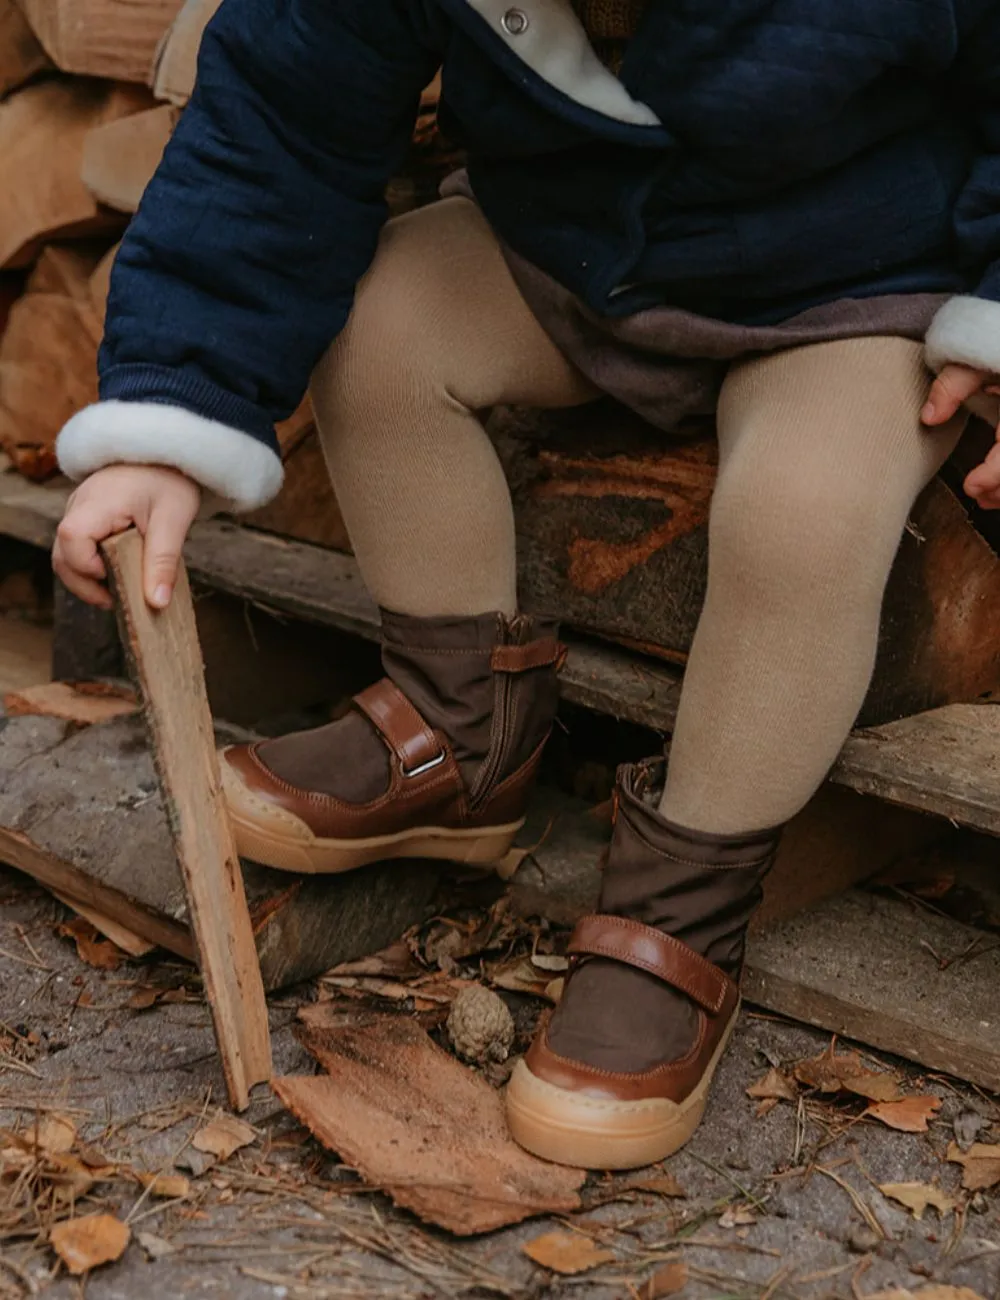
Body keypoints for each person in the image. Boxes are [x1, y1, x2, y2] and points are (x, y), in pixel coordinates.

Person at [52, 0, 1000, 1171]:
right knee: (379, 319)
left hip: (851, 289)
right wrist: (173, 407)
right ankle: (464, 724)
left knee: (804, 513)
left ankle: (685, 899)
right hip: (579, 258)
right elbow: (277, 129)